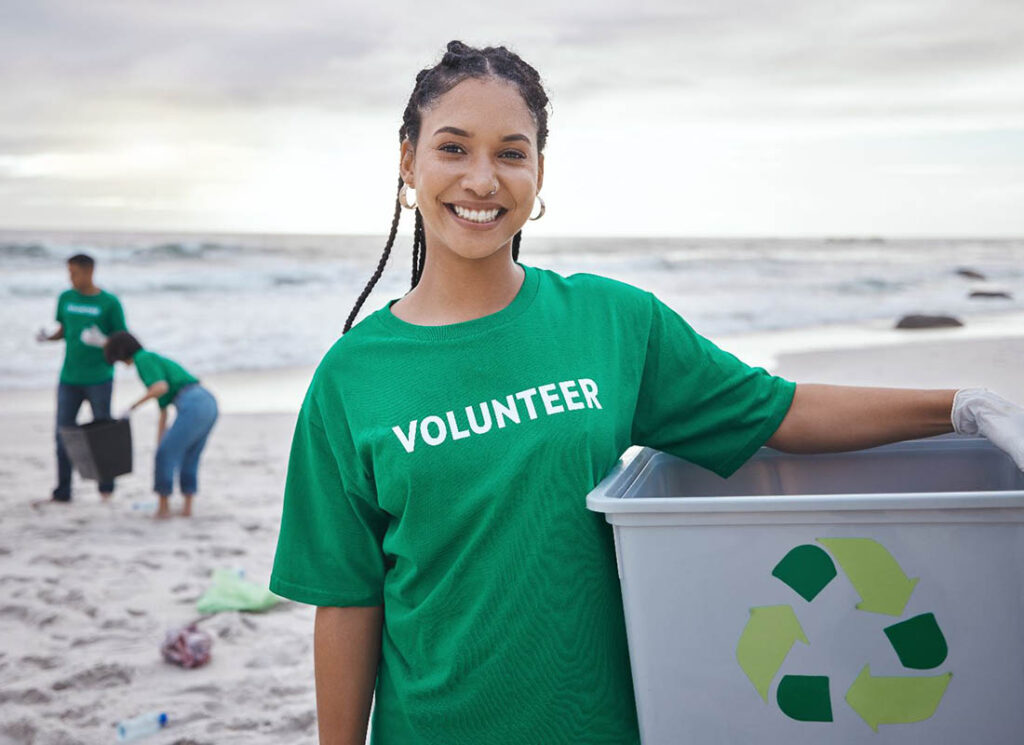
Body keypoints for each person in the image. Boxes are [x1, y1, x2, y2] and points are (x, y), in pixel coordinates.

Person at [270, 41, 1024, 745]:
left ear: (539, 177)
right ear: (408, 161)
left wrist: (958, 404)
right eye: (453, 147)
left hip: (604, 723)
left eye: (511, 153)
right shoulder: (351, 375)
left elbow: (778, 409)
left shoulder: (612, 322)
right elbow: (347, 597)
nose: (481, 179)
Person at [36, 253, 128, 503]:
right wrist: (48, 338)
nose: (71, 278)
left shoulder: (109, 303)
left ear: (89, 272)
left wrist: (103, 342)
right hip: (69, 378)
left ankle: (106, 489)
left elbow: (123, 341)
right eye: (69, 272)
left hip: (99, 377)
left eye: (74, 272)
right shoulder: (66, 298)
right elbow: (64, 331)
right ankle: (63, 491)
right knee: (63, 434)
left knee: (102, 432)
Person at [103, 331, 218, 519]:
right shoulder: (153, 359)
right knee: (190, 455)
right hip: (208, 401)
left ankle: (163, 508)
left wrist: (131, 407)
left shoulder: (143, 358)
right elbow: (163, 411)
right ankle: (187, 509)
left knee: (167, 455)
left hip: (192, 402)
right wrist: (160, 443)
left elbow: (159, 388)